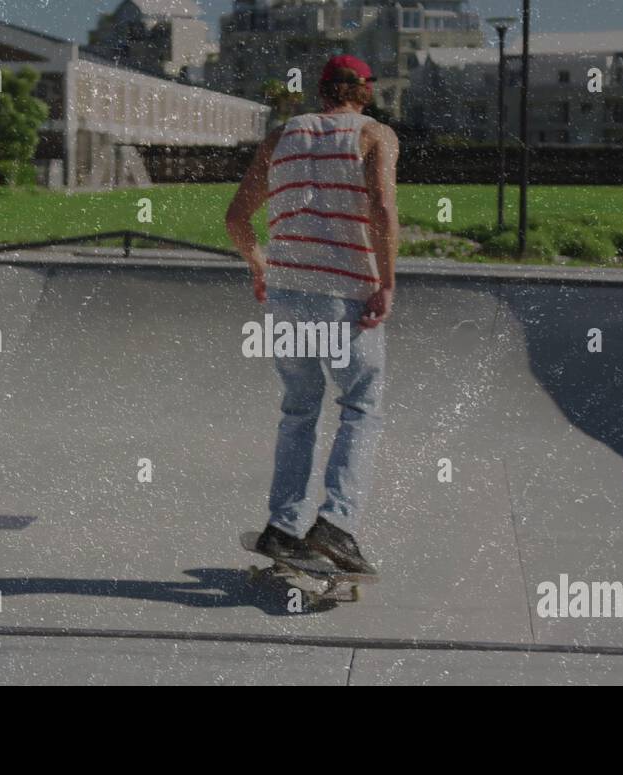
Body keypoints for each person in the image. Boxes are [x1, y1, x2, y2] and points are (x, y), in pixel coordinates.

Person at [226, 54, 400, 574]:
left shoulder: (281, 137)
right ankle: (337, 525)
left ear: (322, 90)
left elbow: (237, 217)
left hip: (285, 295)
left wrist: (260, 266)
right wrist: (386, 283)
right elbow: (383, 210)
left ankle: (283, 527)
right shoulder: (374, 135)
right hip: (342, 294)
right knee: (360, 407)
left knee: (299, 409)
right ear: (364, 90)